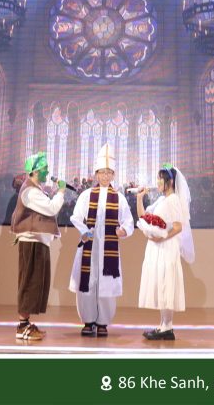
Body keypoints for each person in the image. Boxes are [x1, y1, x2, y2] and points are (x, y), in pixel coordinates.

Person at [69, 144, 133, 337]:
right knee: (88, 282)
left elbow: (128, 220)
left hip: (108, 247)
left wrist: (123, 230)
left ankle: (103, 322)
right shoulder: (86, 195)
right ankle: (88, 321)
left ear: (113, 175)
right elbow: (75, 217)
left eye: (108, 173)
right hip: (90, 246)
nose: (105, 176)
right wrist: (84, 230)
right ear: (96, 174)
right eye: (102, 172)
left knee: (106, 284)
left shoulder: (119, 198)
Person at [10, 151, 66, 341]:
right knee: (29, 282)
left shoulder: (36, 189)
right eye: (44, 169)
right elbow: (51, 208)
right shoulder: (30, 191)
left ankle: (26, 323)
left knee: (36, 284)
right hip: (31, 242)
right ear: (34, 171)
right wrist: (61, 192)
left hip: (38, 242)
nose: (47, 172)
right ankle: (22, 326)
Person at [136, 164, 195, 341]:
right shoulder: (162, 200)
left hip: (167, 247)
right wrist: (139, 199)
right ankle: (163, 325)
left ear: (170, 181)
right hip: (157, 247)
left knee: (166, 283)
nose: (158, 182)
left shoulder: (173, 200)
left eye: (160, 178)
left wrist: (162, 237)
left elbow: (178, 226)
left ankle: (167, 326)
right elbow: (144, 217)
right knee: (160, 283)